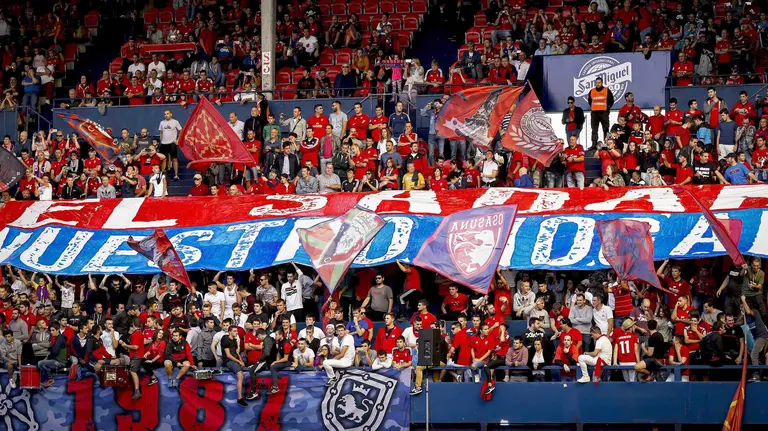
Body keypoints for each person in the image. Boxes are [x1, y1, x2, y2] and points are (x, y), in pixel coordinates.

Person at [587, 77, 614, 151]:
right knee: (594, 130)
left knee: (606, 129)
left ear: (602, 83)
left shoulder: (606, 90)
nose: (597, 84)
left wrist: (608, 107)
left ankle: (606, 144)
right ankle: (594, 144)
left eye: (599, 82)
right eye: (596, 82)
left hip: (604, 112)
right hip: (594, 113)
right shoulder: (592, 91)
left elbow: (611, 100)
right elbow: (589, 101)